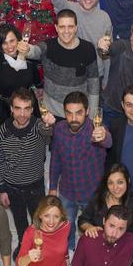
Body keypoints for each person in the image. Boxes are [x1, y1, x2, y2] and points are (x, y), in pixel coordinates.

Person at [0, 88, 56, 258]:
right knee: (20, 221)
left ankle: (39, 247)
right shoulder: (1, 132)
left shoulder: (38, 126)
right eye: (18, 108)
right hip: (12, 188)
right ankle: (23, 244)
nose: (22, 114)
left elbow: (48, 131)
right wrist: (1, 189)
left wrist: (50, 123)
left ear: (32, 109)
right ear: (11, 109)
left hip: (35, 187)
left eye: (27, 109)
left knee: (38, 221)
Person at [49, 91, 111, 251]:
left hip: (92, 194)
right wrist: (52, 188)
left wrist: (103, 136)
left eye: (78, 113)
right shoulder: (59, 130)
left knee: (93, 232)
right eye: (69, 113)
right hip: (66, 193)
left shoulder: (96, 129)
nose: (74, 118)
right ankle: (68, 256)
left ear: (87, 111)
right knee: (65, 231)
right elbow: (55, 160)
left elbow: (108, 141)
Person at [22, 9, 99, 120]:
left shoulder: (88, 49)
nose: (66, 31)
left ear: (76, 28)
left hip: (78, 114)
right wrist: (27, 49)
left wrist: (92, 117)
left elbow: (94, 85)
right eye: (62, 27)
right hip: (52, 114)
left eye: (70, 26)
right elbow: (35, 51)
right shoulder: (48, 47)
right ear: (56, 28)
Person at [45, 0, 112, 83]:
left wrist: (106, 78)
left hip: (95, 75)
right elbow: (59, 1)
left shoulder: (104, 17)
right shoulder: (69, 9)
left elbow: (107, 51)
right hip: (71, 73)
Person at [77, 163, 133, 238]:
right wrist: (90, 227)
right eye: (111, 183)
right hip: (101, 245)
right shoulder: (99, 197)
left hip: (125, 247)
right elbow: (82, 220)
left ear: (128, 181)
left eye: (120, 182)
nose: (115, 187)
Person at [0, 24, 42, 127]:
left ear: (18, 40)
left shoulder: (28, 59)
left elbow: (38, 83)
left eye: (12, 41)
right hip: (5, 111)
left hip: (28, 109)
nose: (9, 47)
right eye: (4, 43)